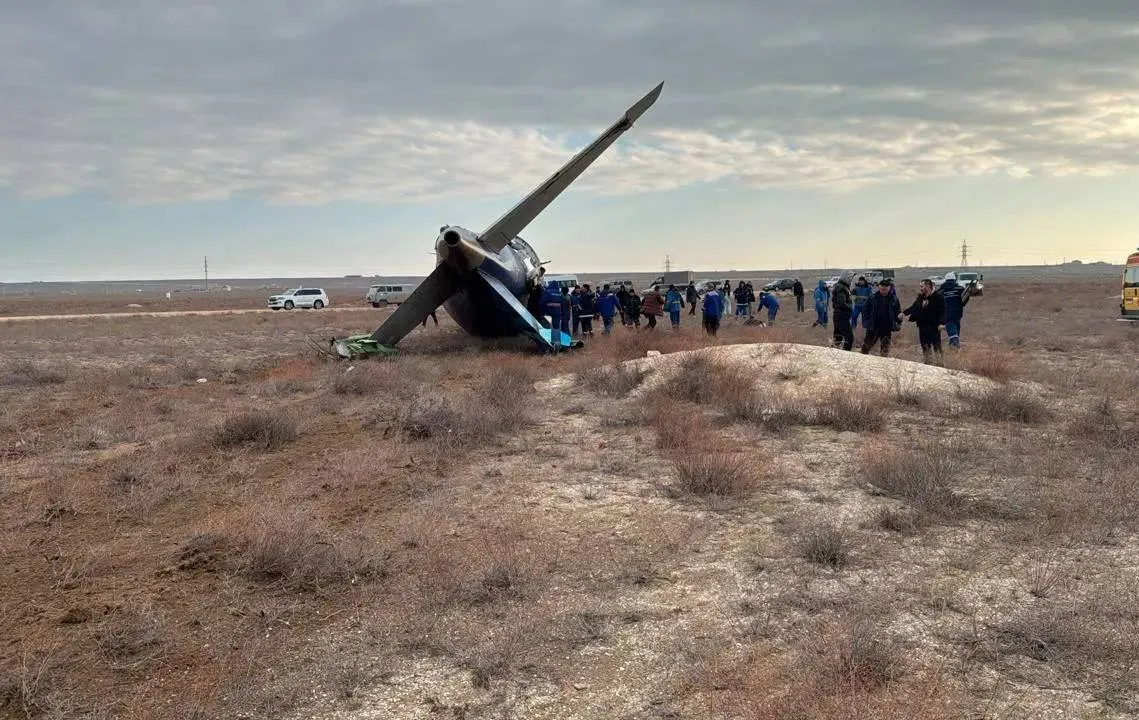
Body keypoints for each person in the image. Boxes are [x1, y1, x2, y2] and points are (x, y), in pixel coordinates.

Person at [903, 278, 945, 365]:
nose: (920, 288)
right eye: (920, 287)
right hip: (922, 326)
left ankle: (940, 365)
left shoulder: (938, 297)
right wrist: (904, 313)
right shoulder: (921, 297)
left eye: (922, 286)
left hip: (934, 327)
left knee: (936, 346)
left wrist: (942, 323)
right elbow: (914, 307)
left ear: (928, 286)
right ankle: (928, 364)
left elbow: (943, 311)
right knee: (925, 346)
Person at [860, 279, 902, 356]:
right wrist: (867, 322)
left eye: (885, 289)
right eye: (882, 289)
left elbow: (898, 312)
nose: (883, 291)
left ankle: (883, 365)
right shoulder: (872, 297)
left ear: (889, 288)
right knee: (866, 347)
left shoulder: (894, 299)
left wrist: (898, 323)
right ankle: (860, 362)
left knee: (885, 349)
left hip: (886, 327)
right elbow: (865, 310)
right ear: (879, 287)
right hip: (873, 326)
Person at [939, 272, 973, 348]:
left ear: (945, 280)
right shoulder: (960, 289)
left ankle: (954, 343)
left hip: (946, 314)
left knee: (951, 328)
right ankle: (954, 344)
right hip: (958, 313)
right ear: (954, 280)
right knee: (956, 328)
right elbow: (965, 299)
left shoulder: (941, 291)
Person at [832, 271, 855, 350]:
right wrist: (850, 307)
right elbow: (841, 303)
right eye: (850, 278)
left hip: (839, 315)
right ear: (846, 278)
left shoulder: (842, 286)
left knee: (838, 338)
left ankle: (833, 354)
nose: (851, 280)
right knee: (849, 338)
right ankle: (845, 357)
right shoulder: (841, 288)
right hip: (841, 316)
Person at [541, 281, 564, 351]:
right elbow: (562, 303)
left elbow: (542, 302)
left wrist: (542, 312)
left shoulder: (547, 292)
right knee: (556, 329)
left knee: (546, 328)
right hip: (557, 313)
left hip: (548, 312)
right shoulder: (560, 293)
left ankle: (546, 346)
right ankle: (557, 346)